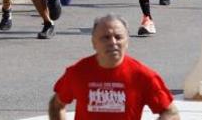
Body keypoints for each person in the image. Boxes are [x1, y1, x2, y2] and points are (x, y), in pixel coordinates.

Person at [49, 14, 180, 120]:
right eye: (105, 37)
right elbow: (56, 105)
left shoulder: (143, 76)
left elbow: (171, 113)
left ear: (127, 42)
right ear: (94, 43)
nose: (113, 42)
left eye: (118, 37)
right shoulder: (78, 72)